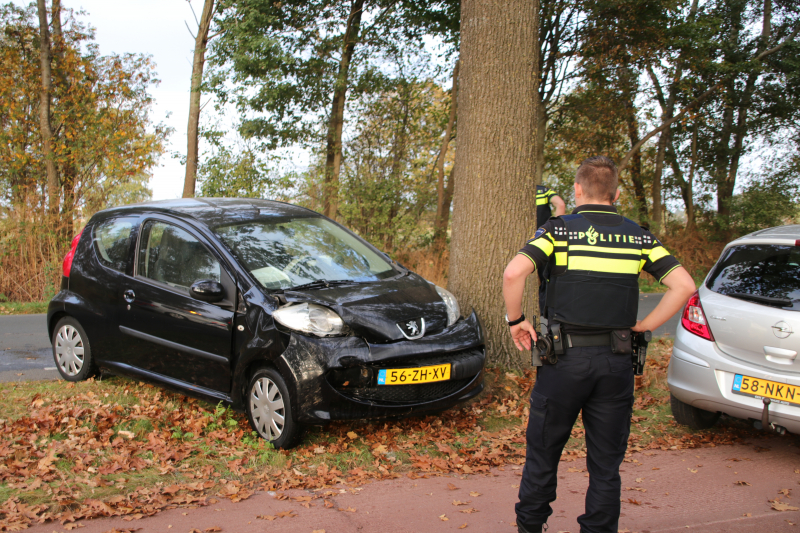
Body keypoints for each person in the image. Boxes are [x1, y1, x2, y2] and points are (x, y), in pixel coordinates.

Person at [502, 156, 696, 533]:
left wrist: (515, 321)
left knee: (544, 452)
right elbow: (684, 286)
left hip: (563, 363)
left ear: (577, 190)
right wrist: (643, 327)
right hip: (616, 362)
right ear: (616, 194)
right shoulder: (638, 236)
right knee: (606, 463)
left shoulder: (559, 231)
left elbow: (514, 272)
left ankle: (530, 527)